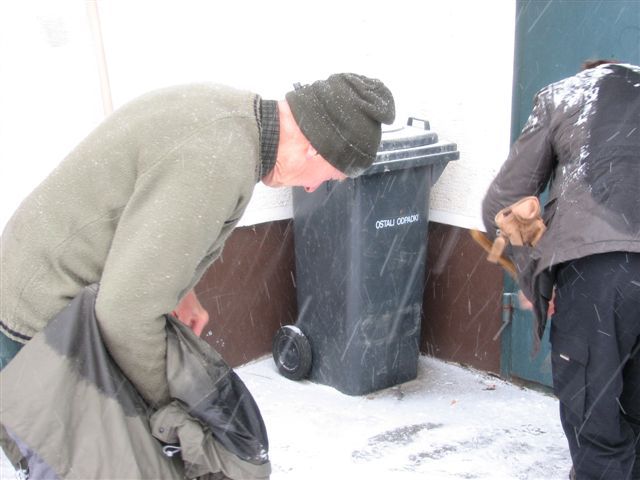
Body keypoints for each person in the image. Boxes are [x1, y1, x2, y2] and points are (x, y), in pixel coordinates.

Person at [0, 73, 395, 473]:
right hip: (43, 323)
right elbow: (125, 315)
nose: (313, 189)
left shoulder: (233, 122)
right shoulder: (218, 161)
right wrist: (167, 409)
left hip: (47, 290)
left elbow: (154, 217)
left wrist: (177, 289)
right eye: (329, 177)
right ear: (314, 148)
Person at [482, 60, 640, 479]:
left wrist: (538, 278)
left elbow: (503, 204)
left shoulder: (565, 95)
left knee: (598, 430)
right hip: (606, 269)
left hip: (601, 273)